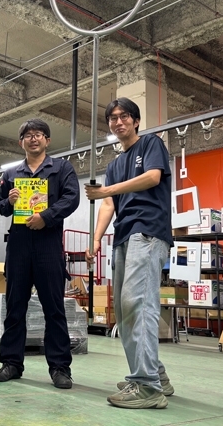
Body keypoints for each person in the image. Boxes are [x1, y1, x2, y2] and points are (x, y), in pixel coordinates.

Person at [85, 97, 174, 409]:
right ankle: (156, 375)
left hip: (148, 231)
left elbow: (152, 177)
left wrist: (107, 190)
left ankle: (147, 386)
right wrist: (96, 239)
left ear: (136, 121)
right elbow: (108, 204)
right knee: (123, 312)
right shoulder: (114, 165)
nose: (118, 121)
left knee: (138, 303)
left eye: (124, 116)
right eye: (113, 118)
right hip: (123, 235)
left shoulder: (150, 144)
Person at [0, 118, 79, 389]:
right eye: (28, 135)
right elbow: (0, 205)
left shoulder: (62, 168)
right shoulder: (11, 173)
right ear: (21, 143)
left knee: (54, 308)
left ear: (47, 140)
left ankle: (60, 367)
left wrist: (46, 217)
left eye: (38, 134)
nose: (33, 138)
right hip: (18, 245)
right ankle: (11, 363)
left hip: (48, 243)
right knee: (15, 306)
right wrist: (9, 201)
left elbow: (72, 198)